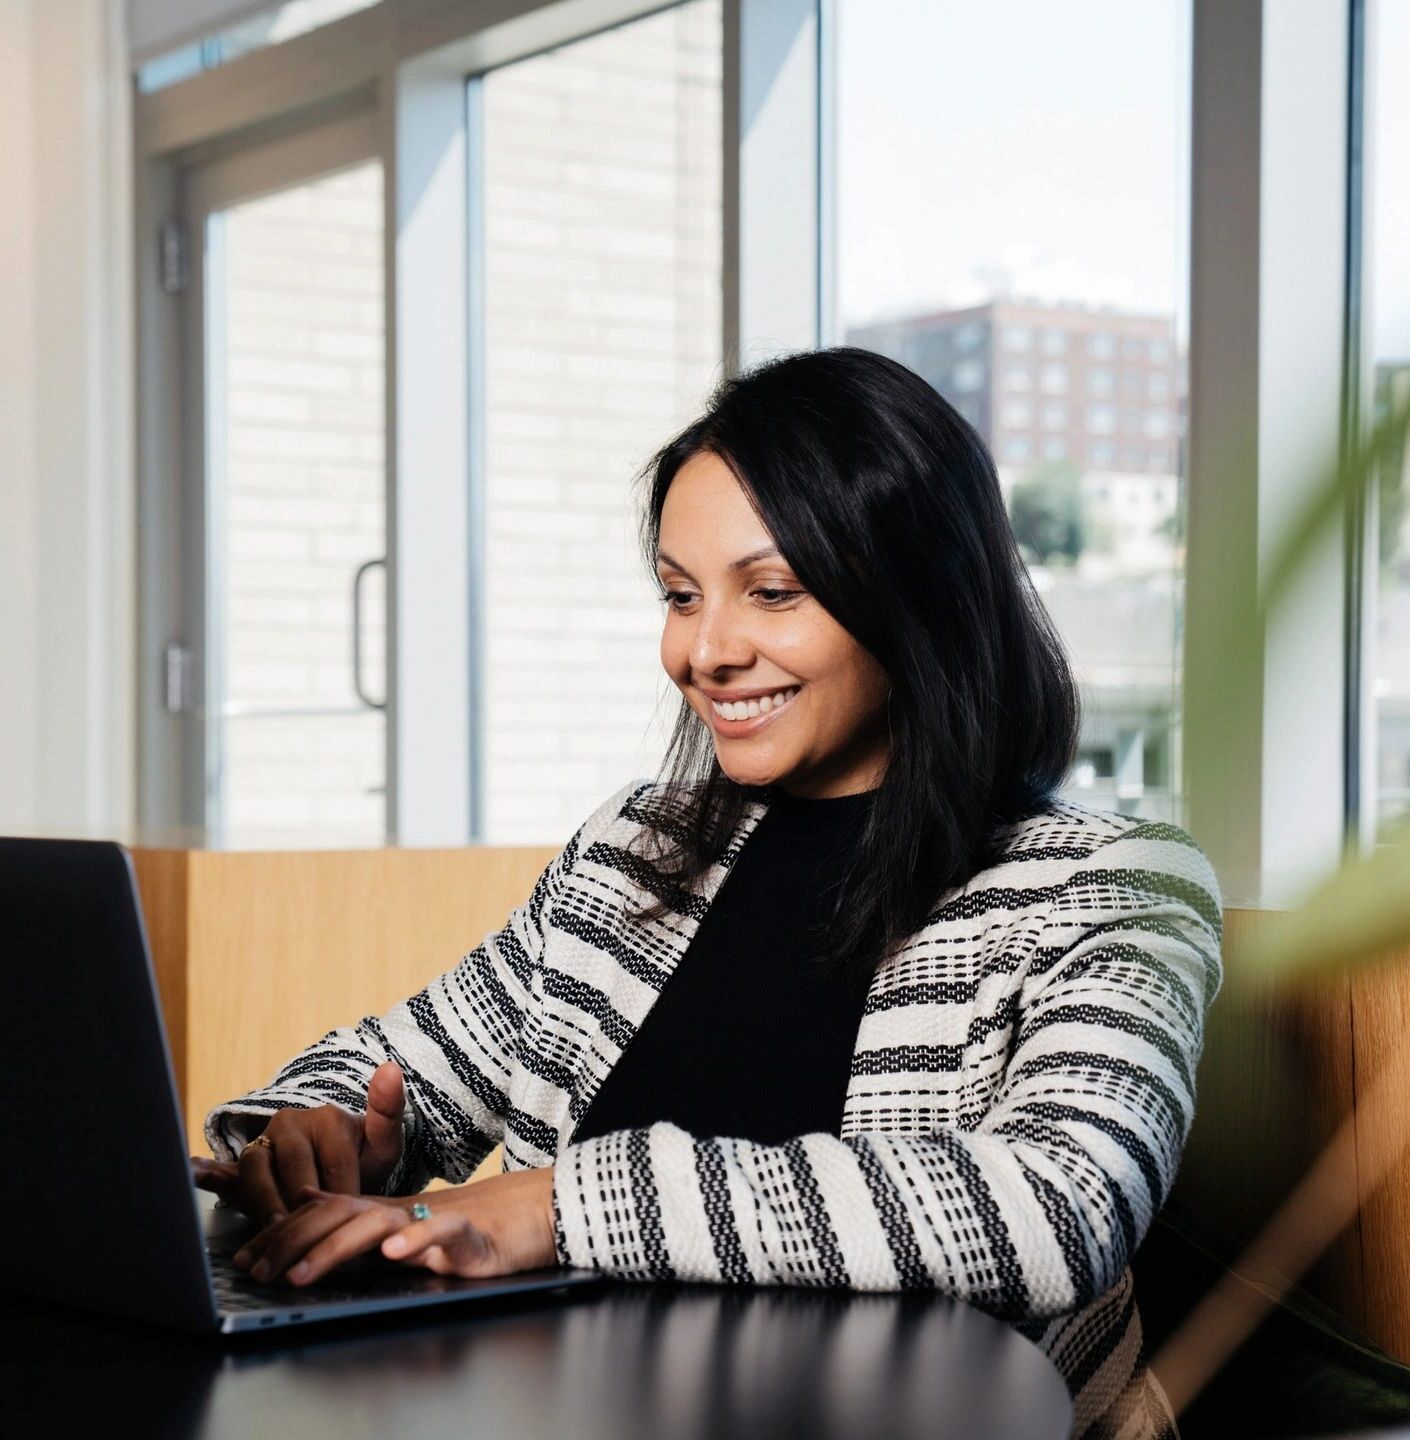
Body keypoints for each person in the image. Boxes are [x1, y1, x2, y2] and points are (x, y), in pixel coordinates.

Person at [195, 346, 1222, 1440]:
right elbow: (406, 1063)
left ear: (921, 596)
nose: (705, 650)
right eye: (681, 596)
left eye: (771, 592)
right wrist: (323, 1131)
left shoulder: (1115, 884)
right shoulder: (632, 850)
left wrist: (553, 1205)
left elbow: (1057, 1207)